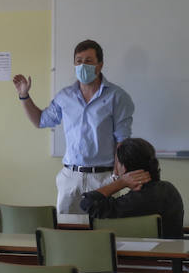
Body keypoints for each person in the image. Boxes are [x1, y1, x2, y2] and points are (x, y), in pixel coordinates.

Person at [13, 38, 134, 213]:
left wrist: (116, 176)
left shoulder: (117, 97)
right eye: (79, 61)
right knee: (66, 231)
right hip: (70, 177)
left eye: (88, 61)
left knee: (102, 231)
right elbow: (40, 120)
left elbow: (122, 140)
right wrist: (24, 96)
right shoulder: (65, 96)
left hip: (103, 177)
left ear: (100, 65)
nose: (82, 65)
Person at [78, 137, 185, 239]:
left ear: (124, 168)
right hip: (170, 254)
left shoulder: (131, 201)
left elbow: (86, 203)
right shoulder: (169, 189)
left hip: (132, 255)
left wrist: (121, 182)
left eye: (117, 162)